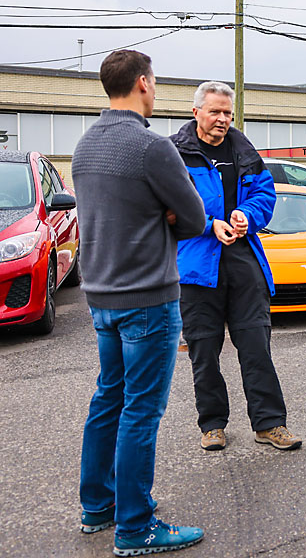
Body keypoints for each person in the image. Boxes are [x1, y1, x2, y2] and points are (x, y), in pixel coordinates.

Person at [74, 50, 207, 553]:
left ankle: (97, 508)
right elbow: (193, 219)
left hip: (101, 297)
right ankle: (135, 527)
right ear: (144, 84)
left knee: (108, 398)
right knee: (140, 411)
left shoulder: (85, 146)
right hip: (147, 298)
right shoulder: (152, 148)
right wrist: (166, 217)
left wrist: (159, 215)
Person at [171, 81, 301, 452]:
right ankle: (212, 424)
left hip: (244, 261)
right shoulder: (174, 154)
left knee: (256, 346)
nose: (222, 119)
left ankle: (270, 423)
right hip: (197, 266)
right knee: (203, 350)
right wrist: (209, 222)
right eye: (215, 111)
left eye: (228, 112)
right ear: (196, 112)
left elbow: (265, 193)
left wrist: (247, 215)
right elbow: (164, 204)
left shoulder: (244, 151)